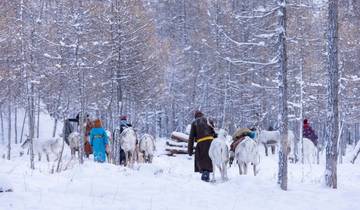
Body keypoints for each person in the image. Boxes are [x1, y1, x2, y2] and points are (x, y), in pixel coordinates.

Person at [188, 111, 216, 182]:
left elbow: (191, 138)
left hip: (201, 143)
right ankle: (208, 173)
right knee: (210, 158)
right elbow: (215, 132)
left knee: (201, 158)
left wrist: (190, 150)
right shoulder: (209, 120)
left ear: (195, 117)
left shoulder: (195, 123)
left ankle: (205, 174)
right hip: (211, 142)